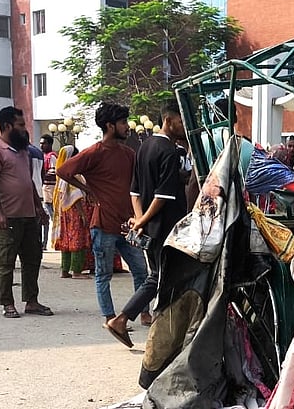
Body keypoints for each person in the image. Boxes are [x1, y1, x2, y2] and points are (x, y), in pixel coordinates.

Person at [56, 103, 151, 337]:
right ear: (110, 126)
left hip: (127, 225)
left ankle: (143, 312)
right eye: (122, 122)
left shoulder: (129, 154)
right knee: (103, 274)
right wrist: (87, 188)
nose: (127, 127)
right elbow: (63, 171)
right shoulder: (93, 153)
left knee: (142, 271)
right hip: (103, 225)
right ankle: (109, 317)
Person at [103, 103, 190, 342]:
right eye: (182, 122)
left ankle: (152, 326)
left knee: (161, 276)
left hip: (152, 226)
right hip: (166, 226)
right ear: (169, 121)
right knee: (162, 277)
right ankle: (122, 319)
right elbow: (163, 196)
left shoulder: (145, 147)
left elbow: (135, 191)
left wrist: (140, 220)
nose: (184, 127)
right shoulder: (169, 152)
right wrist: (142, 219)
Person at [0, 106, 52, 318]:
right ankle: (7, 304)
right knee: (6, 262)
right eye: (20, 125)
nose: (24, 129)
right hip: (6, 219)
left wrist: (38, 208)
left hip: (28, 216)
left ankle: (32, 301)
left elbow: (28, 182)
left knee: (33, 259)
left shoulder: (23, 151)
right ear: (7, 126)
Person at [50, 145, 92, 278]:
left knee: (66, 241)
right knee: (77, 240)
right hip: (75, 212)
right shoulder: (71, 175)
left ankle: (65, 270)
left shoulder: (61, 175)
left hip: (64, 213)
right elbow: (76, 197)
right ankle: (77, 271)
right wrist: (83, 214)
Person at [39, 134, 57, 250]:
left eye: (44, 143)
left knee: (53, 217)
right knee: (46, 217)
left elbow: (53, 172)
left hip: (51, 190)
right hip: (45, 190)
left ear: (49, 144)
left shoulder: (52, 157)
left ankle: (56, 240)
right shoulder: (43, 156)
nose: (41, 145)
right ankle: (44, 243)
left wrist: (42, 176)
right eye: (40, 143)